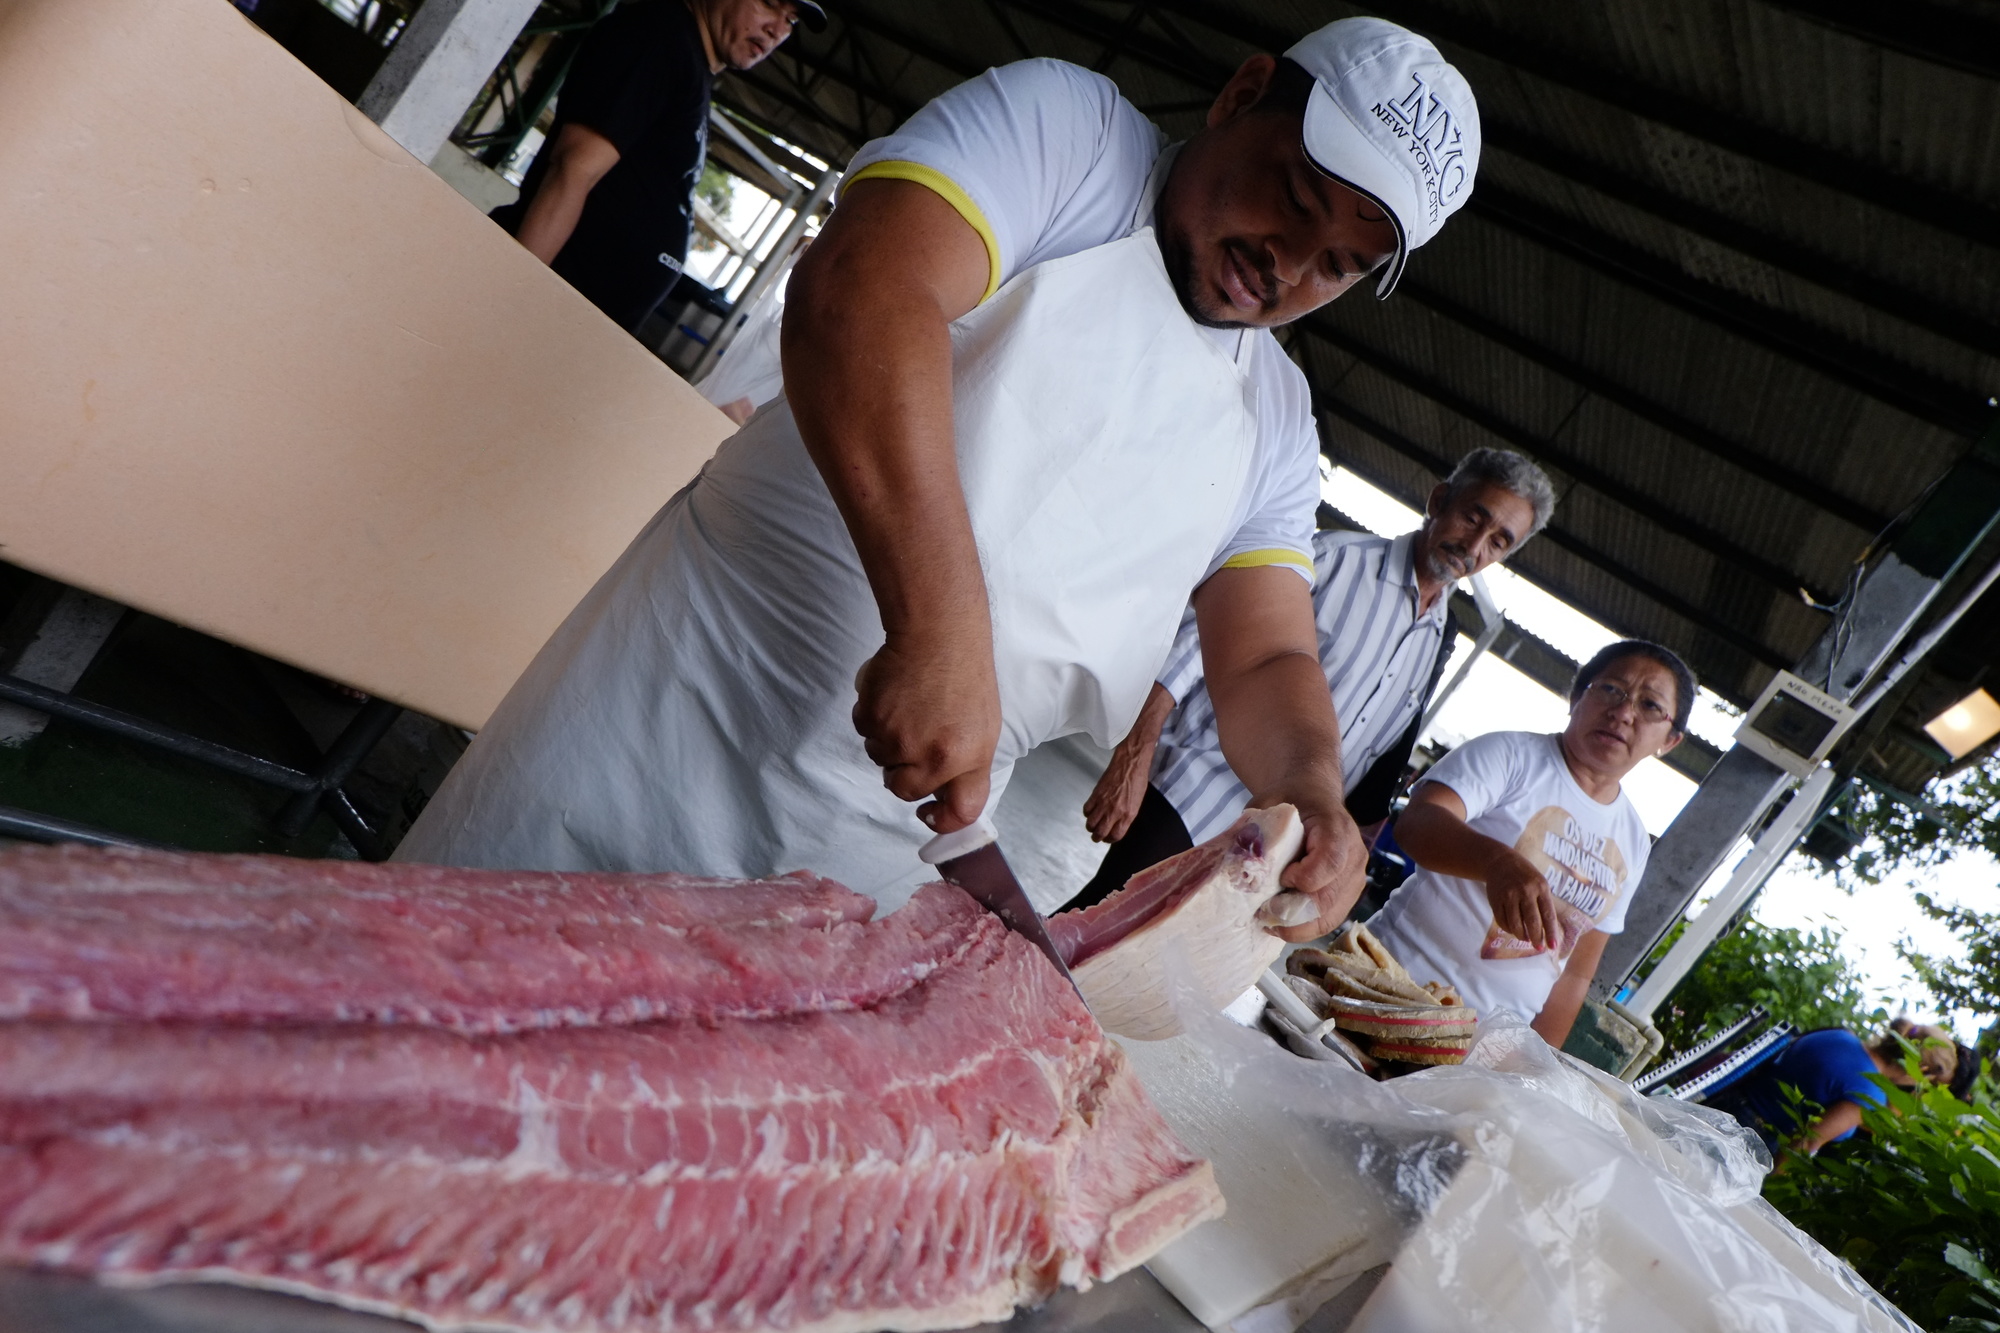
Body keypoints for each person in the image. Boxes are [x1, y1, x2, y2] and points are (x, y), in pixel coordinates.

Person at [399, 20, 1483, 937]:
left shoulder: (1277, 423)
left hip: (880, 850)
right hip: (677, 701)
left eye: (1338, 263)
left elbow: (1266, 649)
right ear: (1242, 94)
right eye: (1292, 196)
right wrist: (938, 624)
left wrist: (1305, 788)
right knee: (404, 1035)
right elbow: (863, 289)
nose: (1289, 262)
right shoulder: (1070, 139)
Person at [1068, 447, 1554, 910]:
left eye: (1498, 541)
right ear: (1438, 500)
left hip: (1270, 846)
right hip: (1196, 792)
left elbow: (1365, 756)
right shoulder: (1335, 559)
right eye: (1473, 516)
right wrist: (1136, 750)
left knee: (1139, 976)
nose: (1474, 545)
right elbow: (1201, 637)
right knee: (1091, 930)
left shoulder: (1436, 637)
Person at [1365, 640, 1695, 1046]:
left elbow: (1574, 971)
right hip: (1383, 987)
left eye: (1650, 706)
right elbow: (1417, 822)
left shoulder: (1632, 840)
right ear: (1577, 696)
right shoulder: (1512, 756)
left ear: (1670, 740)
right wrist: (1496, 862)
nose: (1624, 713)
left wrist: (1531, 1069)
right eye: (1611, 689)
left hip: (1479, 1047)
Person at [490, 0, 825, 331]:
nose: (778, 30)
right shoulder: (659, 38)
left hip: (572, 324)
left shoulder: (693, 65)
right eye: (769, 3)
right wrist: (504, 303)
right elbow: (572, 168)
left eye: (791, 20)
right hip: (542, 311)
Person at [1702, 1025, 1959, 1156]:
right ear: (1922, 1069)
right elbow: (1804, 1144)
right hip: (1745, 1141)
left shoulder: (1840, 1036)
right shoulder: (1869, 1093)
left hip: (1721, 1102)